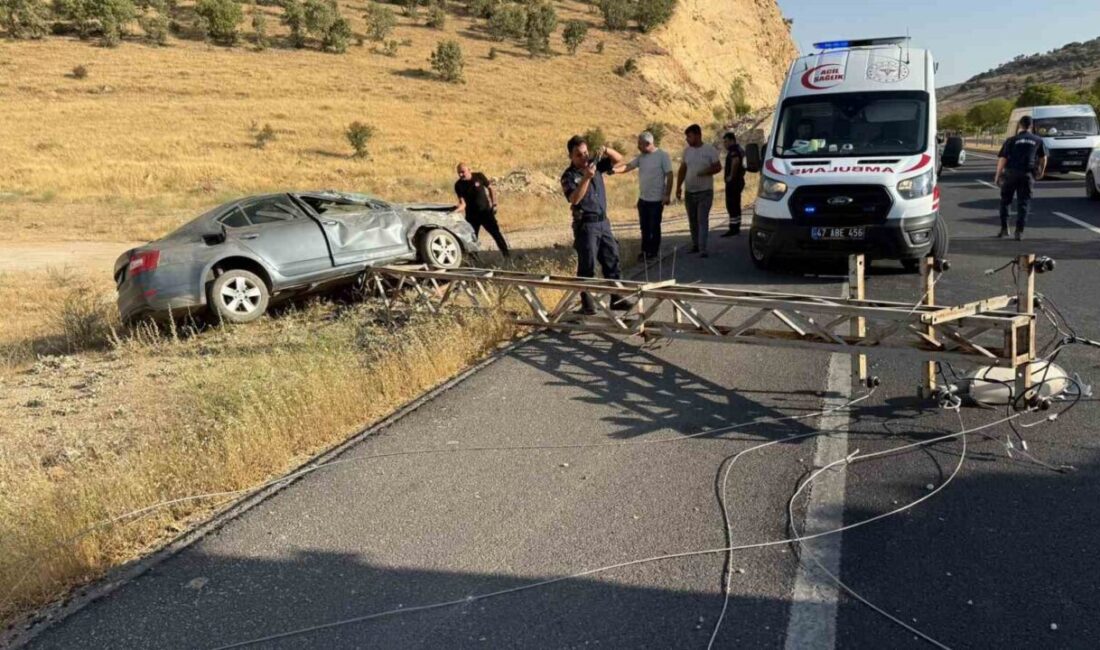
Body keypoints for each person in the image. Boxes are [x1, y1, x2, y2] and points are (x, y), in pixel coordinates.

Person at [561, 135, 631, 315]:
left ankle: (617, 298)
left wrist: (605, 149)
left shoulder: (595, 164)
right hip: (586, 226)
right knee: (588, 265)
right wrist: (585, 178)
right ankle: (587, 305)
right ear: (571, 156)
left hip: (603, 222)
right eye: (578, 155)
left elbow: (619, 159)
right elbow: (574, 199)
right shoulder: (569, 176)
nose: (583, 157)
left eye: (585, 153)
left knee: (612, 259)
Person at [612, 131, 673, 261]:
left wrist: (667, 194)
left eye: (640, 144)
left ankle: (653, 252)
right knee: (644, 227)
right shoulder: (641, 157)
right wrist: (614, 171)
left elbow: (670, 175)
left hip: (656, 200)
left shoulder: (662, 156)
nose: (638, 146)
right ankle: (645, 251)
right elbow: (628, 166)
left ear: (648, 144)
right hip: (643, 199)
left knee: (654, 226)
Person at [994, 115, 1047, 240]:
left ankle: (1004, 228)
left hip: (1011, 174)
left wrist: (997, 175)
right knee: (1023, 203)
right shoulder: (1038, 140)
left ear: (1020, 125)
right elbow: (1043, 158)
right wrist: (1041, 171)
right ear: (1031, 126)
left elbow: (1003, 159)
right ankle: (1019, 231)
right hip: (1027, 175)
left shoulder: (1011, 140)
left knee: (1005, 201)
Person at [675, 124, 722, 257]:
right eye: (686, 137)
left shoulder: (709, 150)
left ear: (698, 135)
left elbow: (718, 167)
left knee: (702, 219)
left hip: (705, 192)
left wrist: (707, 171)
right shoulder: (687, 152)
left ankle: (703, 248)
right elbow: (682, 170)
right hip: (690, 192)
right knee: (692, 220)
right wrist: (678, 187)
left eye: (689, 136)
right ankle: (695, 245)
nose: (687, 139)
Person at [454, 163, 510, 257]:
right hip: (471, 217)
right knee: (471, 239)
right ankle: (474, 261)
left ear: (469, 170)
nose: (461, 175)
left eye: (463, 172)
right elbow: (463, 203)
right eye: (459, 173)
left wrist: (494, 204)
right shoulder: (458, 185)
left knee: (496, 234)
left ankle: (507, 255)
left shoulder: (479, 176)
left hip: (485, 213)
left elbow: (491, 189)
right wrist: (454, 211)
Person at [720, 130, 746, 237]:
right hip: (739, 181)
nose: (725, 144)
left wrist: (731, 176)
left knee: (731, 205)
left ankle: (733, 228)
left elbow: (735, 162)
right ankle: (737, 226)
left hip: (733, 182)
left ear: (732, 141)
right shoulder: (740, 149)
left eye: (726, 141)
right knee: (736, 204)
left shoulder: (734, 150)